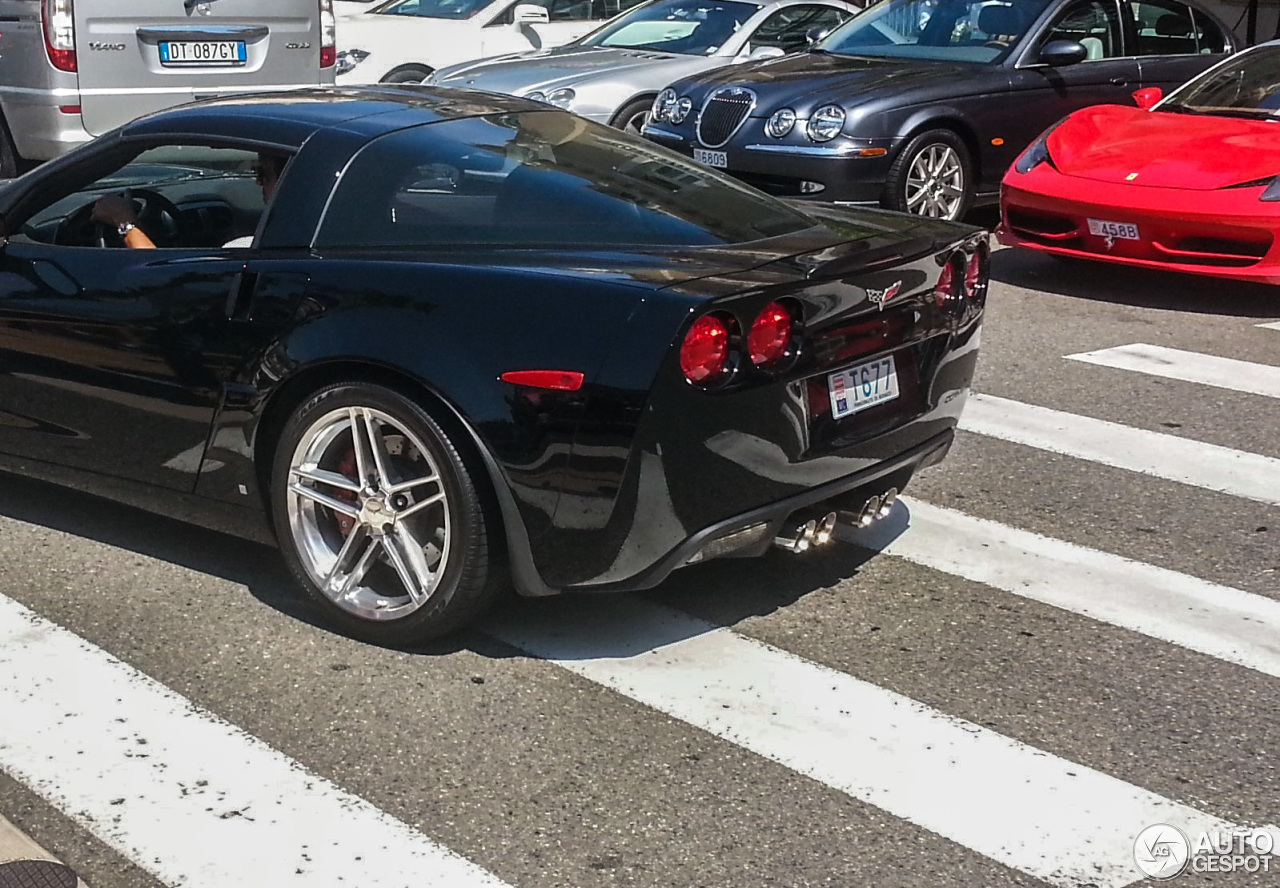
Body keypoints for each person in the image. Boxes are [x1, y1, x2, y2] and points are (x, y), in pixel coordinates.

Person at [91, 151, 287, 249]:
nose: (257, 182)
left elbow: (161, 281)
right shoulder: (308, 232)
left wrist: (126, 222)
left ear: (288, 179)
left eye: (264, 174)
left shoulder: (250, 251)